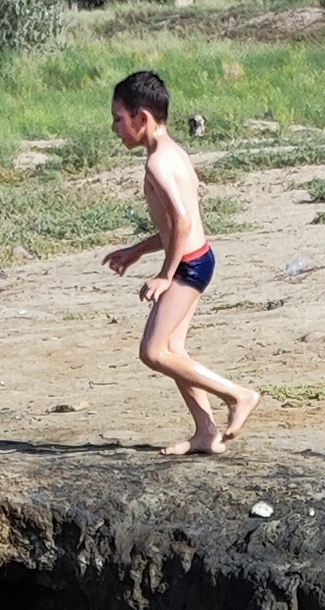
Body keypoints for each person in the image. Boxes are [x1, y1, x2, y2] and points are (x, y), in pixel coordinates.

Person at [105, 69, 262, 457]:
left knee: (154, 352)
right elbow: (174, 226)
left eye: (118, 119)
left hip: (189, 266)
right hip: (199, 257)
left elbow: (182, 221)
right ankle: (206, 432)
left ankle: (238, 394)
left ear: (142, 118)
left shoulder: (157, 164)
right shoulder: (174, 152)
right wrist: (137, 251)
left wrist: (164, 275)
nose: (114, 128)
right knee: (175, 350)